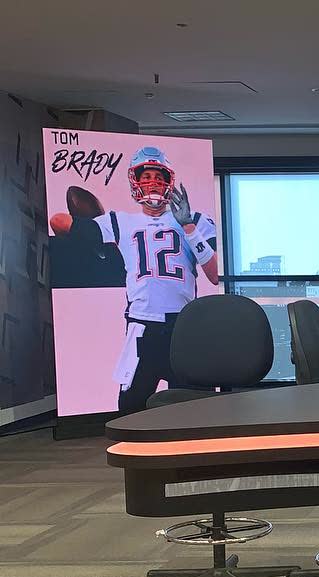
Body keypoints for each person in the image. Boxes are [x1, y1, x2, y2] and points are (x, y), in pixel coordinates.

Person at [48, 146, 219, 414]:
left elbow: (214, 274)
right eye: (146, 176)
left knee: (195, 409)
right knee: (130, 410)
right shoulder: (120, 222)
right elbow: (58, 221)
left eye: (159, 176)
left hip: (184, 326)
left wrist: (188, 227)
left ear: (169, 181)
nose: (153, 182)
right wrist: (93, 237)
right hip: (142, 326)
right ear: (135, 181)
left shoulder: (195, 220)